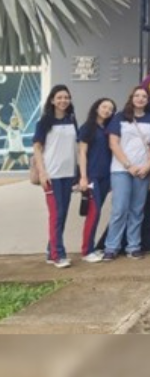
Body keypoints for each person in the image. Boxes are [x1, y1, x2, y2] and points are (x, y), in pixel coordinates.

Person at [100, 87, 150, 262]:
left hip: (143, 171)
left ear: (148, 100)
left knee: (137, 210)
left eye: (144, 96)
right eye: (137, 96)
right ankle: (111, 247)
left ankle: (133, 246)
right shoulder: (120, 117)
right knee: (119, 209)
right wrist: (128, 165)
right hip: (121, 170)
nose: (140, 99)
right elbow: (113, 144)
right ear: (131, 98)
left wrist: (148, 166)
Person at [33, 85, 78, 268]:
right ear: (52, 100)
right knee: (56, 215)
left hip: (68, 174)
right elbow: (37, 148)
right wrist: (42, 172)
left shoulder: (71, 119)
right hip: (52, 175)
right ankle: (58, 254)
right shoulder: (44, 122)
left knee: (62, 214)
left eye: (66, 97)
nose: (63, 101)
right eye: (59, 97)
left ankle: (50, 251)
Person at [77, 97, 116, 260]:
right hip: (92, 176)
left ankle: (91, 247)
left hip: (105, 177)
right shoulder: (87, 128)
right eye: (104, 107)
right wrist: (83, 177)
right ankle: (87, 251)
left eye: (110, 109)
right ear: (96, 108)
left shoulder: (108, 129)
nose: (107, 110)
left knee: (97, 212)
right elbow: (82, 153)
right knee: (94, 212)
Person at [0, 102, 29, 171]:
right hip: (11, 152)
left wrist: (15, 107)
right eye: (12, 119)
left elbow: (20, 117)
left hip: (21, 152)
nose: (13, 120)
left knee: (26, 167)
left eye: (15, 119)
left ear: (17, 122)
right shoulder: (8, 128)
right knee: (3, 171)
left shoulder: (20, 128)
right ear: (10, 121)